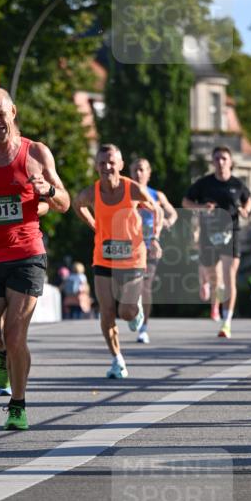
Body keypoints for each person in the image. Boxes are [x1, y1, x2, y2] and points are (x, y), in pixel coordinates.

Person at [0, 87, 70, 430]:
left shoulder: (36, 153)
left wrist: (47, 190)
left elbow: (63, 202)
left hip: (26, 254)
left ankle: (17, 405)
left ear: (13, 113)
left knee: (16, 333)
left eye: (0, 115)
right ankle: (2, 353)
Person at [74, 144, 159, 378]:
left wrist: (154, 238)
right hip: (104, 257)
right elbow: (76, 204)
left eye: (112, 162)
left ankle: (136, 310)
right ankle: (117, 359)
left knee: (127, 312)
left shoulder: (133, 189)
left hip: (132, 258)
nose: (107, 167)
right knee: (107, 311)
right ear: (96, 166)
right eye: (102, 163)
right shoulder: (92, 192)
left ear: (121, 165)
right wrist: (94, 225)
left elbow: (156, 210)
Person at [182, 146, 251, 339]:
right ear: (212, 162)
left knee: (230, 275)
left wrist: (245, 210)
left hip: (231, 233)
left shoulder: (237, 184)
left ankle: (226, 322)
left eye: (224, 158)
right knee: (214, 277)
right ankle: (214, 292)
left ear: (230, 162)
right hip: (209, 235)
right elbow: (186, 202)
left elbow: (249, 200)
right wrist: (201, 207)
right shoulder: (204, 184)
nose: (220, 162)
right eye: (217, 159)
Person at [129, 158, 177, 343]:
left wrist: (167, 222)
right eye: (135, 170)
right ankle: (134, 309)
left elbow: (172, 213)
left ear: (149, 173)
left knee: (145, 286)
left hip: (149, 245)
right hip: (127, 246)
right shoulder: (124, 191)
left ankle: (144, 328)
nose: (138, 174)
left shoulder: (156, 194)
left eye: (142, 170)